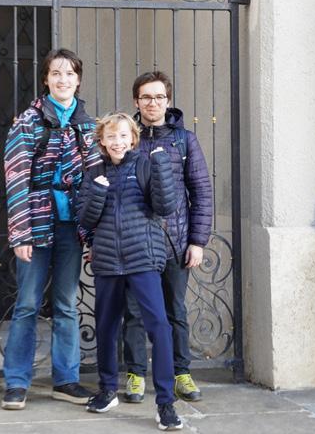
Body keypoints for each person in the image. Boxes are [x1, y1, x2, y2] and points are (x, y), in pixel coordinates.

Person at [1, 48, 101, 410]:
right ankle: (16, 382)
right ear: (46, 79)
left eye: (70, 73)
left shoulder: (88, 124)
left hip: (71, 226)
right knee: (27, 304)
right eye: (56, 73)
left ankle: (66, 380)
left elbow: (96, 179)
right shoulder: (28, 121)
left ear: (78, 79)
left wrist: (93, 234)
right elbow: (16, 178)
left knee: (66, 304)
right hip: (35, 223)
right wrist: (20, 234)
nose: (63, 80)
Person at [77, 112, 184, 431]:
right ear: (101, 140)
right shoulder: (93, 172)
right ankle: (107, 390)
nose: (117, 141)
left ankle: (165, 403)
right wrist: (98, 192)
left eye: (123, 135)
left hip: (143, 260)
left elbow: (165, 207)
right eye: (111, 136)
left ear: (133, 139)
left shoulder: (145, 165)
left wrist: (162, 166)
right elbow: (85, 219)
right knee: (106, 327)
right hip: (108, 262)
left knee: (159, 326)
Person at [122, 71, 213, 404]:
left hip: (175, 240)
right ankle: (135, 375)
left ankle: (181, 374)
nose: (153, 103)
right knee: (134, 311)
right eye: (146, 97)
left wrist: (197, 241)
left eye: (159, 97)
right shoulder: (127, 138)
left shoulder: (184, 140)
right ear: (136, 101)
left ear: (168, 101)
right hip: (135, 241)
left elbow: (201, 191)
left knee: (175, 311)